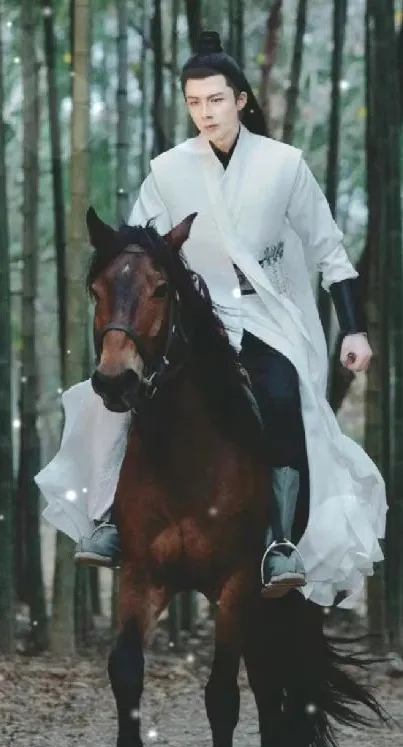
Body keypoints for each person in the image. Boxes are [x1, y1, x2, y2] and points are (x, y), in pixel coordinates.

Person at [35, 31, 386, 606]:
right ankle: (109, 518)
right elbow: (138, 244)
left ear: (240, 99)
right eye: (194, 102)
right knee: (117, 395)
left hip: (266, 313)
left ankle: (280, 542)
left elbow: (330, 253)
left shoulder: (283, 165)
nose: (205, 113)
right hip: (192, 315)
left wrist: (353, 328)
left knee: (282, 395)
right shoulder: (169, 171)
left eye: (216, 100)